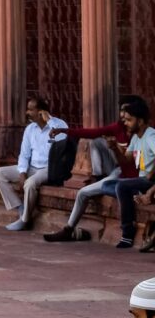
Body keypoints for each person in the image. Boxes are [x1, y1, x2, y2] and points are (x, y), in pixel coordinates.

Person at [43, 96, 145, 243]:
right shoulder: (119, 128)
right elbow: (92, 133)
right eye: (122, 111)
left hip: (133, 180)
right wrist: (64, 131)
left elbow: (141, 167)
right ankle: (69, 230)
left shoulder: (145, 135)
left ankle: (126, 232)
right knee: (83, 192)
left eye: (127, 113)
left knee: (118, 188)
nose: (123, 116)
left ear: (138, 118)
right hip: (120, 173)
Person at [0, 96, 67, 231]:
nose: (27, 113)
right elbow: (24, 153)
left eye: (31, 110)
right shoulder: (30, 129)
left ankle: (25, 220)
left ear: (41, 112)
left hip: (49, 168)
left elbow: (63, 143)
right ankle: (20, 208)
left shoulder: (59, 124)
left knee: (30, 183)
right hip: (32, 166)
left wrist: (49, 121)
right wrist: (22, 171)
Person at [111, 99, 155, 248]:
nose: (126, 123)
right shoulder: (136, 138)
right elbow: (125, 160)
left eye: (129, 120)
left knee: (121, 187)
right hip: (141, 180)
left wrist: (151, 174)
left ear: (141, 121)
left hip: (150, 180)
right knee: (110, 186)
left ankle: (127, 233)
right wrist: (114, 148)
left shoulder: (151, 136)